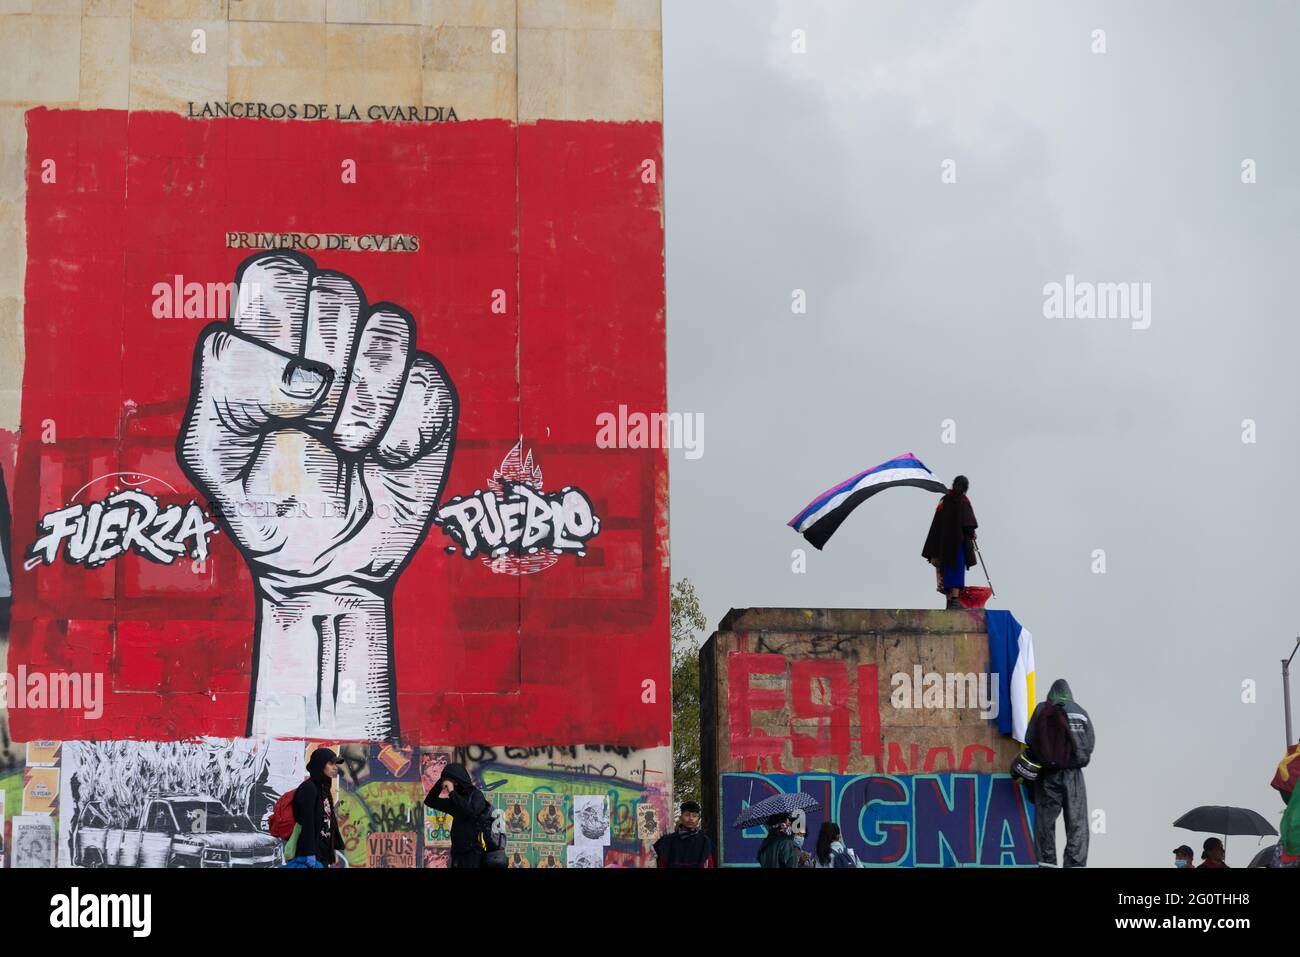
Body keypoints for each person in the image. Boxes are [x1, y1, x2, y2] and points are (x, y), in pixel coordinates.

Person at [1025, 678, 1095, 867]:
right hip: (1074, 776)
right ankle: (1074, 864)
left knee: (1045, 823)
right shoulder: (1081, 713)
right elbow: (1089, 745)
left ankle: (1046, 863)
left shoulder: (1042, 709)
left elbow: (1029, 739)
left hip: (1047, 775)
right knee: (1077, 823)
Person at [922, 475, 978, 610]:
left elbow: (937, 522)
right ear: (966, 488)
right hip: (957, 544)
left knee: (946, 571)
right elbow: (968, 524)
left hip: (943, 544)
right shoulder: (963, 501)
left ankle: (949, 603)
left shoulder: (944, 500)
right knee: (956, 570)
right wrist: (972, 534)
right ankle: (954, 601)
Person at [423, 762, 491, 868]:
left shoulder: (476, 795)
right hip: (457, 853)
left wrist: (451, 792)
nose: (453, 784)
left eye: (454, 781)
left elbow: (471, 811)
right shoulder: (455, 801)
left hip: (473, 854)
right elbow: (430, 801)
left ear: (459, 780)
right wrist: (441, 782)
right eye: (451, 782)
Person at [286, 746, 345, 868]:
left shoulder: (323, 789)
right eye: (331, 763)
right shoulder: (309, 788)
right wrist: (309, 853)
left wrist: (334, 846)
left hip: (322, 852)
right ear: (320, 765)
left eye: (335, 764)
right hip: (308, 854)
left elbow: (327, 820)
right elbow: (307, 822)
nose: (335, 767)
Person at [652, 800, 714, 867]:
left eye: (694, 816)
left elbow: (709, 865)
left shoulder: (704, 841)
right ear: (681, 817)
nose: (691, 818)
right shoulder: (667, 841)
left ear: (698, 819)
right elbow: (662, 865)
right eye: (687, 815)